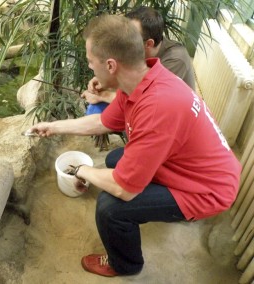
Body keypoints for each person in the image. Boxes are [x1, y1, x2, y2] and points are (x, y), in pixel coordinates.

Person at [26, 14, 241, 277]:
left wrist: (82, 170)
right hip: (193, 165)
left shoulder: (158, 108)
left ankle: (125, 264)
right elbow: (103, 121)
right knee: (116, 159)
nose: (90, 67)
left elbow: (123, 189)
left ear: (111, 65)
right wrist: (55, 126)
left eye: (91, 62)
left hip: (208, 189)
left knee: (111, 207)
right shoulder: (143, 80)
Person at [83, 6, 195, 108]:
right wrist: (105, 78)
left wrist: (104, 95)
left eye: (132, 36)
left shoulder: (175, 60)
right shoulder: (137, 53)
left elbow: (145, 98)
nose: (124, 40)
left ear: (148, 44)